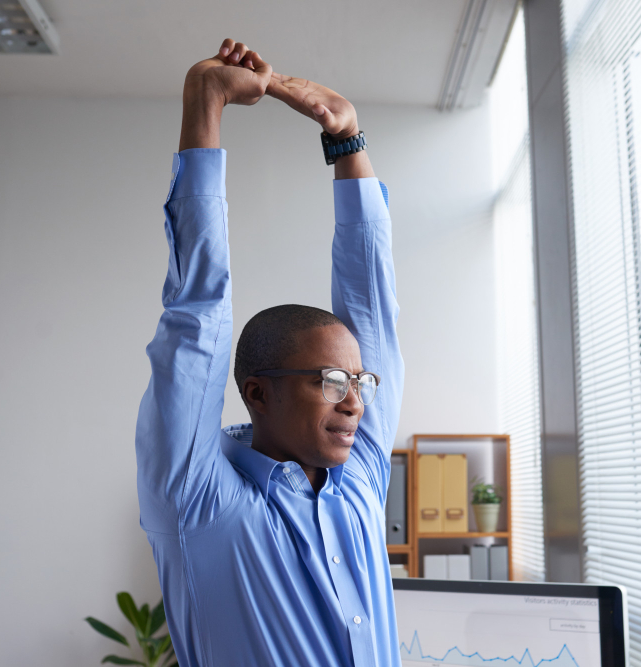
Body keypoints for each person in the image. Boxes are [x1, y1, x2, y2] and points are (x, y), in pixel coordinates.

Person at [135, 38, 404, 667]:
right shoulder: (199, 500)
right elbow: (196, 317)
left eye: (360, 382)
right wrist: (206, 101)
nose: (355, 402)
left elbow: (374, 312)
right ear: (258, 392)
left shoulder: (358, 477)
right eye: (331, 380)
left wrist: (347, 141)